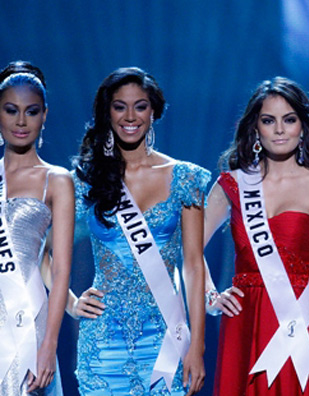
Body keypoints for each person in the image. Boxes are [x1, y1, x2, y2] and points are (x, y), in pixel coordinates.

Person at [67, 67, 208, 395]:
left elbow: (193, 266)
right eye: (119, 106)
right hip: (102, 342)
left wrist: (198, 346)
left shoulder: (184, 178)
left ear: (154, 110)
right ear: (108, 112)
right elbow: (45, 251)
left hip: (166, 337)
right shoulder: (86, 181)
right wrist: (71, 304)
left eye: (140, 106)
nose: (130, 116)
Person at [203, 77, 309, 396]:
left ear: (302, 127)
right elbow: (188, 248)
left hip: (299, 326)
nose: (280, 129)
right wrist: (210, 296)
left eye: (289, 119)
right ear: (255, 129)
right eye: (269, 120)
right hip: (244, 323)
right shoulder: (233, 184)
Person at [0, 61, 73, 395]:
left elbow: (60, 272)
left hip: (28, 317)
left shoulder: (56, 180)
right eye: (11, 110)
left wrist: (48, 346)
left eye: (30, 112)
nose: (20, 121)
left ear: (44, 114)